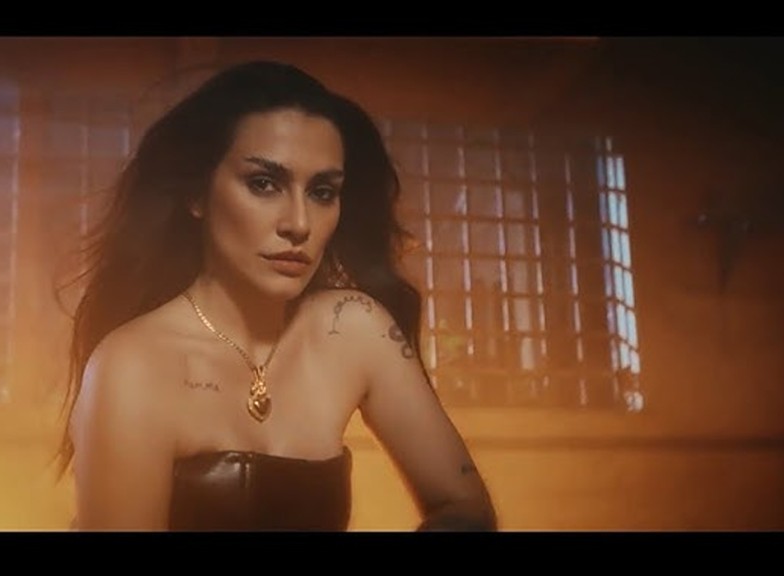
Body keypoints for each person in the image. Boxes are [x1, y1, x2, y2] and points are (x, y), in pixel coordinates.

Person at [56, 59, 497, 531]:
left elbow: (466, 509)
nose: (299, 224)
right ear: (197, 195)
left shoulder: (353, 328)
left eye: (322, 192)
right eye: (264, 184)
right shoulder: (132, 365)